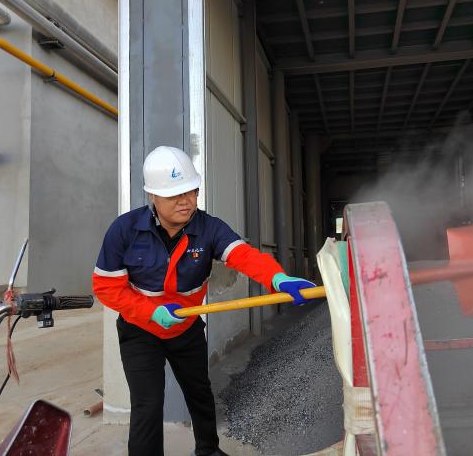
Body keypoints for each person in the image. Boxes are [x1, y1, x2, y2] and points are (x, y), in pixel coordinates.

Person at [92, 145, 316, 456]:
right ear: (152, 196)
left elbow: (244, 256)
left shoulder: (209, 228)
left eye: (191, 191)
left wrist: (278, 279)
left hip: (186, 328)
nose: (185, 201)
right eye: (175, 195)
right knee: (147, 404)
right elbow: (106, 288)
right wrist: (151, 312)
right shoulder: (125, 231)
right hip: (140, 330)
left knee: (199, 392)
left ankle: (208, 450)